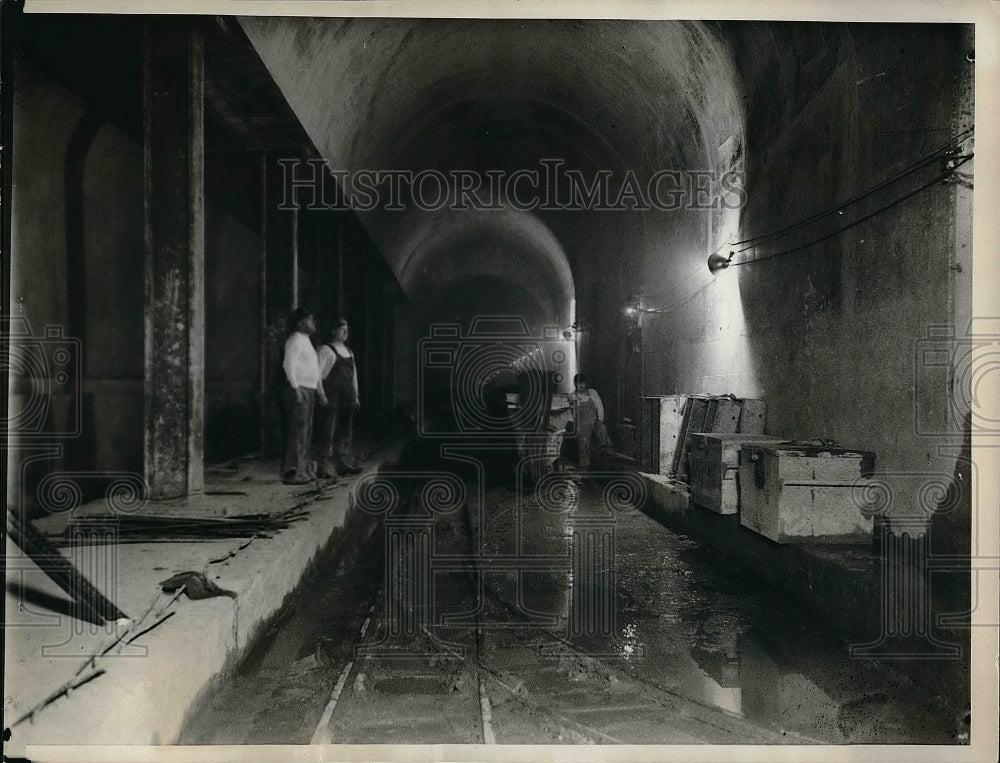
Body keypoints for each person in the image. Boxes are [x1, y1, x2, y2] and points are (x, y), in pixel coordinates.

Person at [282, 308, 327, 484]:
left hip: (307, 389)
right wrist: (295, 387)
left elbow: (313, 369)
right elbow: (288, 364)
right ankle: (291, 472)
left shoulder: (306, 340)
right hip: (298, 389)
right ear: (300, 323)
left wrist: (317, 390)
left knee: (305, 432)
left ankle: (301, 470)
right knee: (298, 431)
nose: (313, 323)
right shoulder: (295, 340)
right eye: (310, 320)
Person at [317, 318, 362, 476]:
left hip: (348, 395)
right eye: (342, 329)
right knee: (328, 428)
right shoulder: (325, 349)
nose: (345, 332)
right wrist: (321, 394)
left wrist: (356, 396)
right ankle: (323, 466)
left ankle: (342, 462)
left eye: (347, 329)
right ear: (333, 331)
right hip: (332, 395)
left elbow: (354, 375)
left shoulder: (349, 352)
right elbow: (317, 374)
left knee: (345, 429)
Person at [569, 373, 607, 470]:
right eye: (579, 384)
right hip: (582, 425)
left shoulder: (593, 393)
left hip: (594, 422)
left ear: (586, 383)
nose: (581, 386)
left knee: (602, 429)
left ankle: (604, 454)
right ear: (575, 385)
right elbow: (573, 413)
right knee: (583, 444)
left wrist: (600, 419)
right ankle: (584, 466)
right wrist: (576, 426)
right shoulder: (573, 396)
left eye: (583, 383)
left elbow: (600, 406)